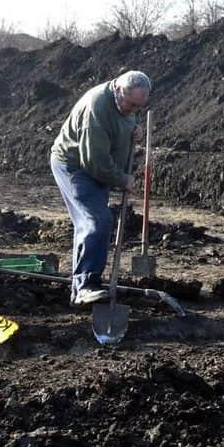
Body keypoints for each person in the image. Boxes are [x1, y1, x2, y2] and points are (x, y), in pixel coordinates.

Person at [50, 70, 149, 306]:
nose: (133, 110)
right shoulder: (97, 108)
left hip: (97, 168)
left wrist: (134, 130)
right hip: (75, 166)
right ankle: (86, 285)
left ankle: (80, 289)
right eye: (130, 104)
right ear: (118, 89)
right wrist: (122, 179)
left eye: (138, 107)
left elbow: (122, 122)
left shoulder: (125, 103)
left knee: (89, 224)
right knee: (97, 221)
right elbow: (94, 161)